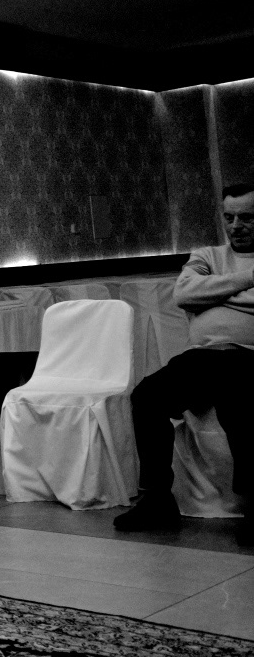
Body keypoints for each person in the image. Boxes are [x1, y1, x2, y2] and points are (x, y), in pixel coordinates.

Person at [114, 183, 254, 545]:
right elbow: (184, 293)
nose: (236, 226)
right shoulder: (207, 255)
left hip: (248, 356)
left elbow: (199, 294)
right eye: (229, 217)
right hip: (202, 356)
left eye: (246, 218)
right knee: (146, 395)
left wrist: (215, 292)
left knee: (239, 403)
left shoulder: (211, 269)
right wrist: (248, 280)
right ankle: (156, 498)